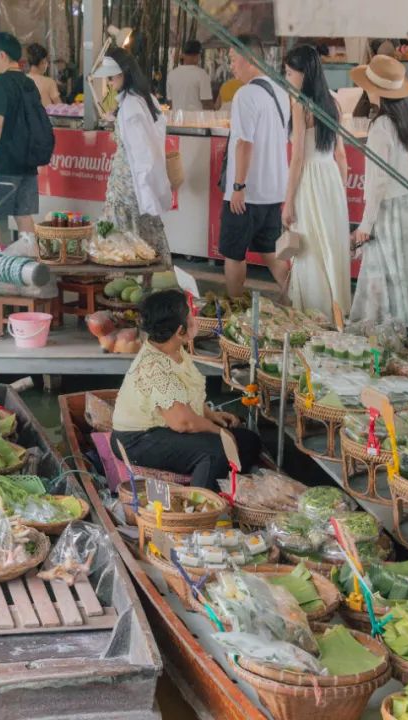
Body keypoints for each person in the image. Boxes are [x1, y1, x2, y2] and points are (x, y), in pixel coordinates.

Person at [112, 290, 262, 490]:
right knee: (217, 449)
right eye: (190, 315)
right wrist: (219, 431)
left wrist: (209, 414)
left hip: (162, 428)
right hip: (137, 441)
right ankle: (197, 508)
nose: (194, 318)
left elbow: (184, 395)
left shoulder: (172, 348)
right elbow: (183, 423)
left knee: (249, 440)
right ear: (180, 330)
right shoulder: (155, 367)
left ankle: (225, 485)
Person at [350, 54, 408, 354]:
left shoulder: (380, 128)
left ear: (376, 90)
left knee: (383, 272)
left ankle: (376, 335)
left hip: (389, 208)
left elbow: (377, 181)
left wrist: (365, 225)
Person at [281, 44, 351, 316]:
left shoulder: (300, 103)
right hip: (331, 177)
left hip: (309, 179)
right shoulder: (333, 102)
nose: (288, 79)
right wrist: (339, 191)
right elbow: (341, 155)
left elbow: (297, 158)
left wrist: (288, 202)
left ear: (303, 73)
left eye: (289, 73)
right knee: (332, 247)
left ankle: (313, 314)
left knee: (309, 248)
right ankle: (337, 313)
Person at [220, 34, 291, 298]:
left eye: (233, 59)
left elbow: (244, 143)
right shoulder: (281, 93)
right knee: (272, 253)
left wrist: (238, 186)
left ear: (249, 58)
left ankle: (233, 309)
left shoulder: (246, 94)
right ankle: (296, 302)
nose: (231, 66)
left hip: (247, 193)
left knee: (234, 254)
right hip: (273, 192)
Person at [92, 50, 173, 260]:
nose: (108, 83)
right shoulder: (145, 99)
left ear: (125, 74)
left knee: (122, 237)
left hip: (127, 182)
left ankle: (129, 278)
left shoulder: (130, 106)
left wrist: (146, 186)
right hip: (133, 180)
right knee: (143, 233)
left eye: (111, 77)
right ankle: (147, 281)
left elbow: (142, 151)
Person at [0, 33, 45, 244]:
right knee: (23, 215)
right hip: (27, 161)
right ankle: (31, 268)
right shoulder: (29, 84)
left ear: (1, 55)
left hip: (4, 163)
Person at [167, 40, 215, 112]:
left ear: (183, 55)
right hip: (195, 121)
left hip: (177, 121)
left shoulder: (171, 75)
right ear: (198, 56)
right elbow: (206, 103)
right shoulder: (202, 75)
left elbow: (170, 103)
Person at [25, 43, 62, 107]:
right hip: (45, 116)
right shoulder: (49, 82)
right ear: (43, 62)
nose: (47, 65)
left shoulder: (19, 81)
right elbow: (60, 107)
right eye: (46, 61)